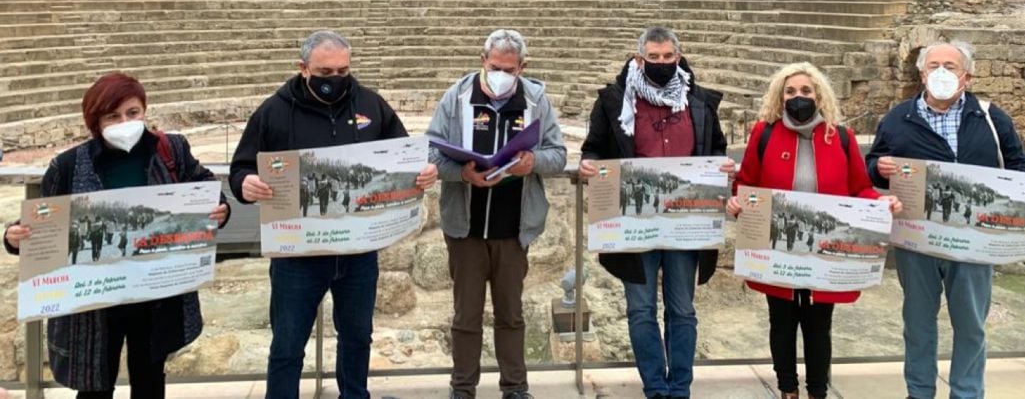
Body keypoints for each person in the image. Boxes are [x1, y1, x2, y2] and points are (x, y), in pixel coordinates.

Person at [229, 30, 438, 399]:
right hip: (297, 254)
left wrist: (422, 172)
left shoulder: (371, 105)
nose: (336, 80)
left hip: (358, 253)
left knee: (357, 337)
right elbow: (241, 169)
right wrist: (246, 183)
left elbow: (406, 155)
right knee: (288, 344)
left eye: (343, 71)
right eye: (325, 73)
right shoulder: (273, 112)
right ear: (303, 68)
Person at [3, 72, 230, 399]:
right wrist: (14, 237)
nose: (125, 122)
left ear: (144, 111)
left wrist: (220, 208)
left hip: (154, 294)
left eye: (133, 113)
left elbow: (204, 188)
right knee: (94, 385)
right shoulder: (67, 166)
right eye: (113, 115)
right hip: (95, 303)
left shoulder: (171, 150)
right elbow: (41, 223)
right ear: (95, 121)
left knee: (150, 379)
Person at [866, 40, 1025, 399]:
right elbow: (874, 166)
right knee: (918, 323)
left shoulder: (991, 117)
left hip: (975, 242)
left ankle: (967, 393)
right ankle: (919, 391)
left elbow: (1018, 164)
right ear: (922, 73)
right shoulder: (898, 117)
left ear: (967, 76)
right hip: (918, 242)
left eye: (950, 66)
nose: (941, 72)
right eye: (934, 66)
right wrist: (879, 169)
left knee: (971, 324)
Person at [728, 62, 901, 399]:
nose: (798, 97)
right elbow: (746, 183)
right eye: (791, 91)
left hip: (826, 251)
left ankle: (818, 391)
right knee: (781, 321)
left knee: (819, 324)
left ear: (819, 95)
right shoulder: (764, 133)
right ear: (780, 96)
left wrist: (881, 203)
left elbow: (859, 189)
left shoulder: (842, 138)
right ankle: (787, 389)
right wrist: (738, 203)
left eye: (806, 91)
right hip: (778, 248)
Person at [579, 26, 731, 399]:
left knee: (682, 309)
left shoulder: (700, 104)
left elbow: (717, 150)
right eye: (653, 58)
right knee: (641, 309)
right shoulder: (614, 102)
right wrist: (588, 164)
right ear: (639, 59)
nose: (661, 64)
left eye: (667, 57)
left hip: (686, 223)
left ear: (678, 58)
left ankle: (680, 388)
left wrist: (721, 168)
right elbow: (594, 147)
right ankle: (655, 388)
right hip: (635, 224)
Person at [427, 29, 567, 399]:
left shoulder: (536, 100)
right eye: (494, 67)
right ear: (482, 61)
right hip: (466, 228)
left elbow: (559, 155)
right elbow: (430, 153)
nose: (501, 74)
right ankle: (462, 389)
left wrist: (532, 162)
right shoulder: (457, 96)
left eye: (509, 68)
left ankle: (516, 388)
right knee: (466, 317)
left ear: (522, 67)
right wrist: (463, 173)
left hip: (512, 230)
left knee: (511, 314)